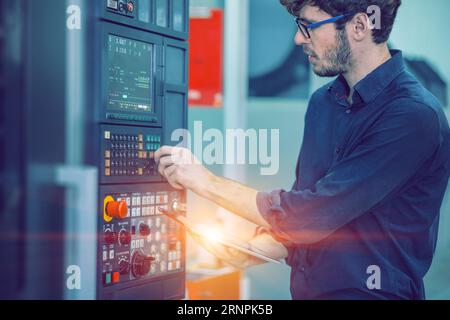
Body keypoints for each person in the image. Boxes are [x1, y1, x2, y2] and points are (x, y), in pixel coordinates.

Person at [155, 0, 450, 300]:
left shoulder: (412, 115)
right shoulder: (324, 103)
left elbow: (312, 214)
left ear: (359, 26)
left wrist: (205, 182)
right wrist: (255, 248)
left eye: (308, 26)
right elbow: (310, 213)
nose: (299, 38)